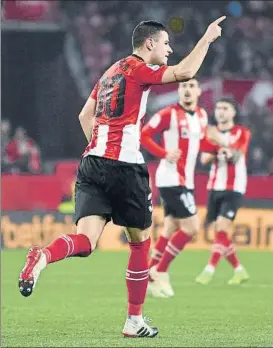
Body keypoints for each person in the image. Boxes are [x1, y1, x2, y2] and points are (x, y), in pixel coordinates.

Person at [18, 18, 226, 338]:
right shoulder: (138, 68)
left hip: (91, 163)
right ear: (149, 45)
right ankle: (134, 320)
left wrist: (99, 148)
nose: (170, 49)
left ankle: (42, 256)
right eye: (166, 43)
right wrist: (208, 39)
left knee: (86, 242)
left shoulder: (108, 72)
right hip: (125, 167)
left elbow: (84, 115)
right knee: (140, 242)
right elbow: (185, 72)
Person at [141, 77, 225, 298]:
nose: (187, 90)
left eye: (191, 86)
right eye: (184, 86)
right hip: (171, 179)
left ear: (198, 91)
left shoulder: (201, 116)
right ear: (179, 91)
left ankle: (148, 274)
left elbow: (200, 144)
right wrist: (164, 153)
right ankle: (159, 272)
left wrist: (217, 150)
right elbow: (144, 135)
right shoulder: (168, 114)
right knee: (191, 228)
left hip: (185, 180)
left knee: (170, 228)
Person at [196, 97, 251, 285]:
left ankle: (209, 270)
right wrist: (214, 145)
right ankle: (239, 270)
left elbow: (236, 156)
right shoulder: (209, 133)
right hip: (214, 185)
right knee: (219, 232)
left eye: (225, 108)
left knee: (221, 226)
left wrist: (219, 141)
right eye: (218, 108)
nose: (220, 111)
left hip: (234, 187)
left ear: (233, 112)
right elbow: (203, 159)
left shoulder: (242, 133)